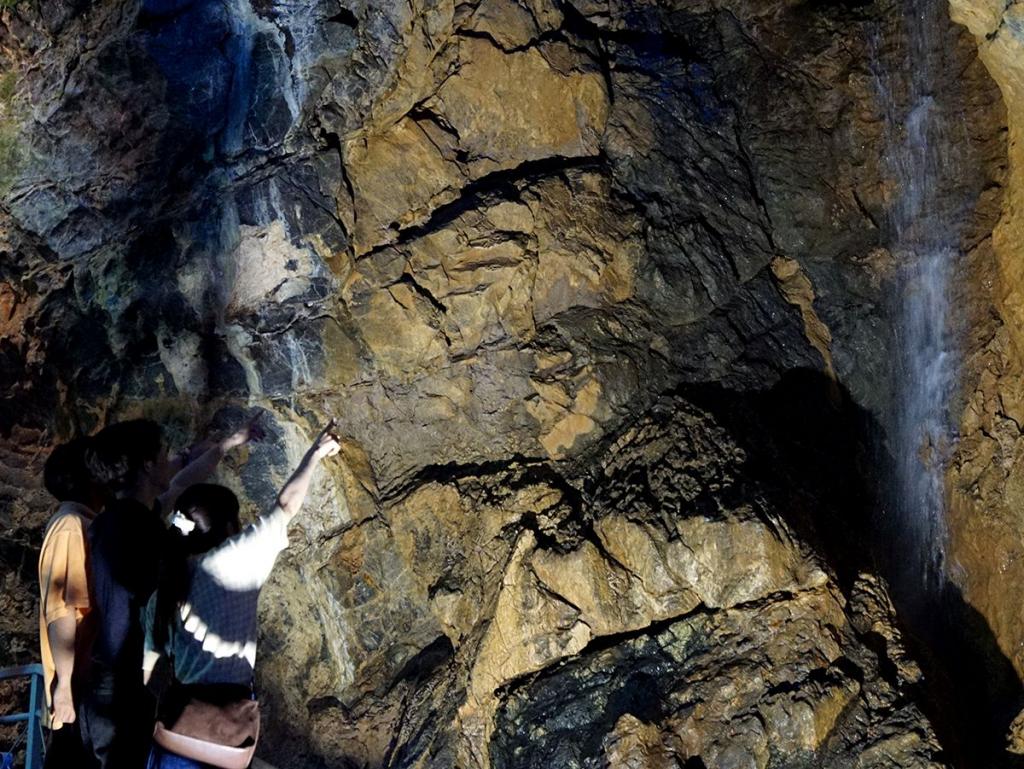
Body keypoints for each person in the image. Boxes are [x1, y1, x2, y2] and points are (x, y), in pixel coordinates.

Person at [142, 422, 341, 768]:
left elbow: (145, 666)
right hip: (224, 729)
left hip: (176, 731)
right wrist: (316, 452)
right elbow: (285, 506)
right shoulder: (229, 562)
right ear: (228, 529)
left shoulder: (164, 584)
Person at [81, 417, 260, 769]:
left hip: (112, 677)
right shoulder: (136, 528)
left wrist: (226, 445)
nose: (171, 459)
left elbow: (181, 480)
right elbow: (178, 484)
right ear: (148, 465)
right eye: (164, 454)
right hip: (119, 684)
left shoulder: (118, 518)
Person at [37, 437, 107, 768]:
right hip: (78, 690)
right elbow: (62, 610)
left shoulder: (86, 522)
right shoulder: (70, 526)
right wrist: (64, 686)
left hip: (85, 685)